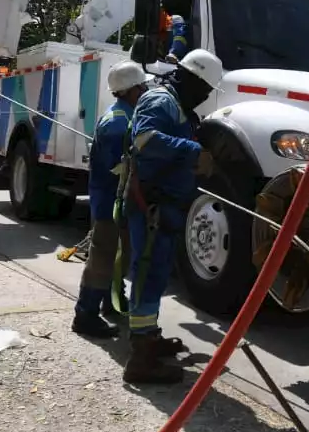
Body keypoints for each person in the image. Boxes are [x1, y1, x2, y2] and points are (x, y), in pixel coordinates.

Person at [118, 48, 222, 384]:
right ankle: (141, 360)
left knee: (157, 274)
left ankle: (148, 336)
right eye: (204, 88)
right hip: (151, 204)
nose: (205, 95)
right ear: (190, 79)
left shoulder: (182, 109)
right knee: (148, 273)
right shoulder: (161, 101)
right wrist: (194, 152)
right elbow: (145, 141)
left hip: (166, 208)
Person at [73, 62, 153, 340]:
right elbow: (117, 169)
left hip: (115, 201)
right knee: (103, 259)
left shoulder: (124, 114)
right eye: (142, 86)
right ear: (131, 90)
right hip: (111, 203)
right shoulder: (118, 123)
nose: (146, 90)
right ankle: (85, 315)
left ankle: (110, 302)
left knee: (117, 256)